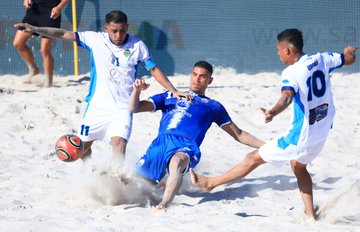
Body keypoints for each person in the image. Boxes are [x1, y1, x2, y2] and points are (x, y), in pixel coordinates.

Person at [190, 29, 357, 220]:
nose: (277, 53)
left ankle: (211, 183)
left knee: (252, 158)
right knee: (298, 166)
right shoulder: (323, 58)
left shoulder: (292, 72)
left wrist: (272, 112)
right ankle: (310, 214)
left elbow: (286, 97)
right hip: (323, 129)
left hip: (301, 135)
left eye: (278, 49)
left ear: (287, 50)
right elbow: (348, 59)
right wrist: (349, 50)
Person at [14, 10, 190, 169]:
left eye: (122, 30)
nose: (118, 34)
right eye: (114, 30)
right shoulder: (94, 39)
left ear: (127, 27)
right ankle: (91, 168)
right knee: (82, 149)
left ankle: (116, 180)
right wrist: (35, 28)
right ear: (106, 28)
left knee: (119, 143)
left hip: (122, 107)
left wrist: (173, 90)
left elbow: (154, 69)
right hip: (97, 106)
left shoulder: (137, 46)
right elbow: (61, 33)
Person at [128, 60, 265, 209]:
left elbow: (238, 134)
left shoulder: (213, 106)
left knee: (177, 162)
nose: (197, 79)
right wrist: (137, 91)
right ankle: (155, 190)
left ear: (210, 80)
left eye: (202, 76)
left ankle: (164, 204)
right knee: (135, 182)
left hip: (187, 146)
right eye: (194, 74)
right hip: (161, 143)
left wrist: (268, 146)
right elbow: (134, 108)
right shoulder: (169, 95)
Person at [13, 0, 69, 87]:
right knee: (18, 43)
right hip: (34, 11)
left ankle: (49, 82)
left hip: (51, 12)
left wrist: (59, 7)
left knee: (45, 49)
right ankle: (34, 69)